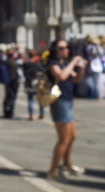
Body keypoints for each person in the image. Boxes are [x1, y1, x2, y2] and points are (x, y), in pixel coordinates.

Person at [45, 40, 87, 181]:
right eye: (62, 48)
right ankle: (52, 171)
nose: (65, 50)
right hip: (59, 102)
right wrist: (74, 61)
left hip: (68, 101)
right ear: (55, 50)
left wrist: (81, 68)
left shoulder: (64, 63)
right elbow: (61, 76)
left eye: (67, 47)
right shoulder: (53, 63)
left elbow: (76, 79)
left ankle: (67, 165)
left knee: (72, 136)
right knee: (64, 139)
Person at [22, 49, 45, 120]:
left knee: (30, 100)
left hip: (29, 84)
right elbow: (43, 72)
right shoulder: (38, 64)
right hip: (37, 83)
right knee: (40, 100)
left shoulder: (25, 64)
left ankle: (31, 114)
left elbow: (23, 72)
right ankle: (42, 114)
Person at [2, 49, 20, 119]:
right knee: (12, 97)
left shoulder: (5, 62)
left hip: (7, 81)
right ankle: (10, 112)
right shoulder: (14, 63)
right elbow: (19, 71)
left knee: (7, 96)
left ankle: (6, 111)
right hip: (14, 81)